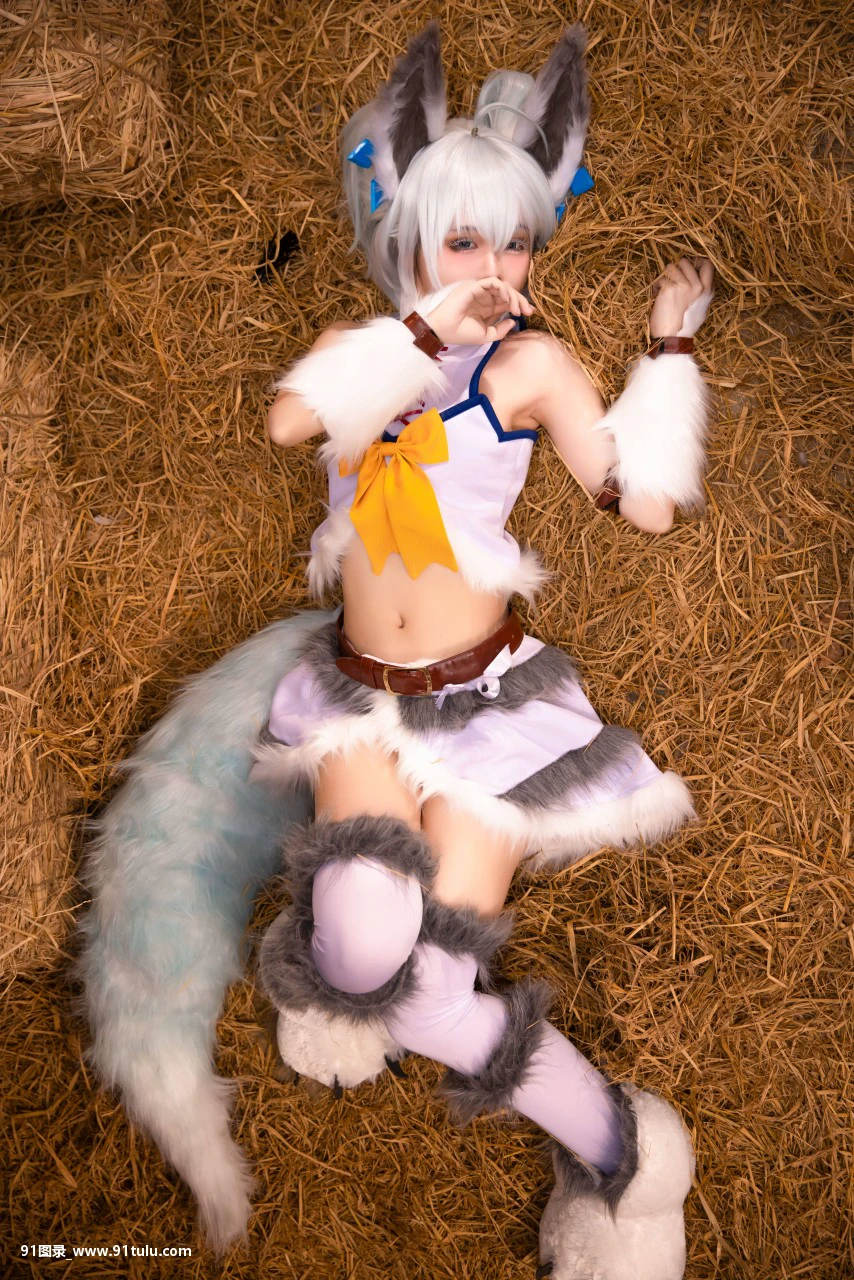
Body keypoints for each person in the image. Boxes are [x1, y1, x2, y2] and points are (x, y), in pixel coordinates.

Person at [254, 22, 713, 1279]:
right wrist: (417, 334)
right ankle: (349, 983)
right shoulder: (360, 356)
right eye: (465, 240)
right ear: (407, 236)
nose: (498, 265)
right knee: (356, 945)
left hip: (487, 715)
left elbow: (641, 505)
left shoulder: (530, 365)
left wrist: (667, 353)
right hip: (362, 702)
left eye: (514, 240)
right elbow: (289, 422)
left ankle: (626, 1160)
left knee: (424, 999)